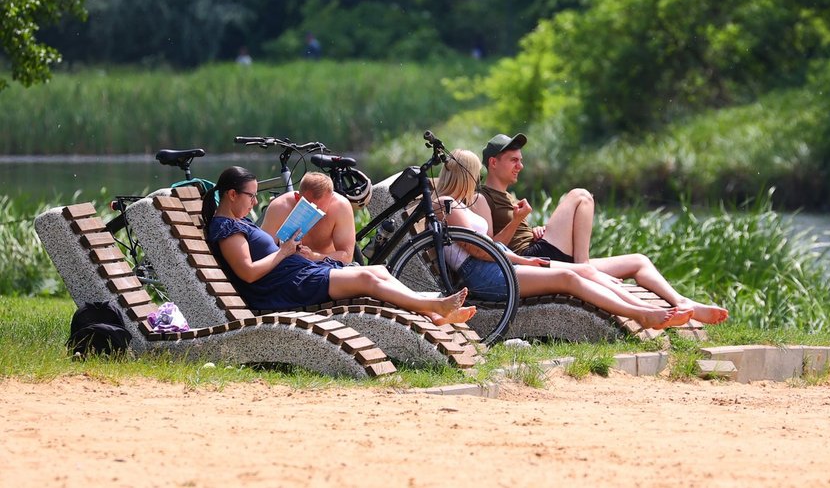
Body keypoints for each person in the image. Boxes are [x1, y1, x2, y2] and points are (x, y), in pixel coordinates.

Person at [478, 134, 729, 325]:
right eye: (513, 160)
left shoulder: (509, 196)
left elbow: (516, 232)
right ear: (493, 162)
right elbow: (490, 247)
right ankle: (592, 271)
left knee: (638, 261)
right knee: (581, 196)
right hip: (532, 261)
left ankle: (682, 302)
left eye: (521, 160)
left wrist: (534, 229)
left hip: (546, 253)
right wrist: (517, 221)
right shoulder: (483, 198)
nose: (520, 166)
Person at [436, 150, 693, 330]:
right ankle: (641, 314)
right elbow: (478, 250)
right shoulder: (447, 204)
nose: (476, 181)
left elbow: (486, 246)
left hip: (498, 264)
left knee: (582, 270)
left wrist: (522, 259)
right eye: (474, 174)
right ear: (465, 175)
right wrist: (517, 259)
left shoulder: (460, 204)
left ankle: (643, 308)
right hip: (484, 274)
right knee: (569, 278)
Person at [202, 166, 475, 325]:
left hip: (296, 274)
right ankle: (434, 308)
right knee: (366, 277)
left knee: (378, 270)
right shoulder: (227, 228)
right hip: (286, 287)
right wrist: (284, 252)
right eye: (250, 196)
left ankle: (433, 308)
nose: (253, 203)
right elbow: (248, 272)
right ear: (232, 194)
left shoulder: (238, 223)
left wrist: (289, 251)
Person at [260, 172, 356, 263]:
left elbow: (346, 256)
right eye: (309, 208)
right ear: (297, 197)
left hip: (326, 266)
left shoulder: (340, 207)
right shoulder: (279, 206)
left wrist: (313, 257)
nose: (314, 215)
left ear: (331, 198)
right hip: (288, 266)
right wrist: (284, 252)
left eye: (319, 211)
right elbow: (262, 251)